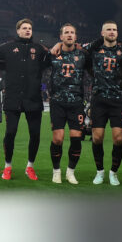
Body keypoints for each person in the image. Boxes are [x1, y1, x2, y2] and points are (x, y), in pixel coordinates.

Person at [0, 18, 51, 181]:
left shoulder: (39, 49)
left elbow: (51, 58)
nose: (27, 30)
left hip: (34, 98)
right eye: (24, 28)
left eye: (30, 28)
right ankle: (7, 166)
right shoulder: (8, 47)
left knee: (35, 135)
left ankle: (30, 166)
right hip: (13, 98)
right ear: (18, 31)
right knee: (10, 133)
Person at [83, 21, 122, 186]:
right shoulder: (93, 49)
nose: (112, 32)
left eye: (114, 29)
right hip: (99, 99)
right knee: (97, 137)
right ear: (102, 33)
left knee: (118, 139)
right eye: (108, 29)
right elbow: (80, 50)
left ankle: (113, 172)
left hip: (118, 99)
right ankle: (100, 172)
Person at [47, 23, 90, 185]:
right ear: (61, 37)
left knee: (76, 138)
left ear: (76, 37)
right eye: (66, 33)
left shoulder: (83, 55)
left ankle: (70, 172)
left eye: (72, 33)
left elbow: (99, 45)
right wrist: (56, 46)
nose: (70, 35)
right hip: (57, 102)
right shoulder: (53, 54)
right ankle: (56, 171)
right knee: (58, 139)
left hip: (76, 103)